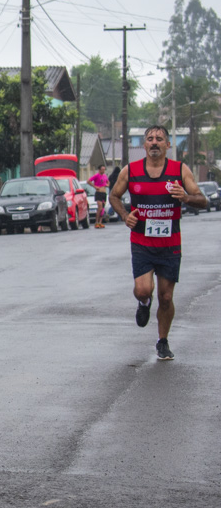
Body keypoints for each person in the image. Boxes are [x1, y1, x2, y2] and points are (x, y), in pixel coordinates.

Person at [108, 125, 208, 361]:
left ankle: (162, 341)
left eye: (159, 139)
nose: (154, 142)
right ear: (144, 145)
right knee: (144, 290)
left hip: (170, 245)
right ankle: (143, 303)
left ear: (167, 145)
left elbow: (202, 200)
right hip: (142, 242)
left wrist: (185, 197)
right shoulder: (130, 171)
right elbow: (114, 196)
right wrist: (125, 215)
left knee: (165, 297)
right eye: (150, 139)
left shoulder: (179, 170)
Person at [88, 164, 110, 228]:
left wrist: (107, 185)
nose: (103, 171)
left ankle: (100, 222)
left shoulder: (105, 176)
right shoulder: (96, 176)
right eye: (102, 169)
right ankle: (96, 222)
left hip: (104, 193)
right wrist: (95, 186)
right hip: (99, 193)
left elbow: (108, 182)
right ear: (99, 170)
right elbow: (88, 181)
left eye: (104, 169)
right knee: (99, 208)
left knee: (102, 208)